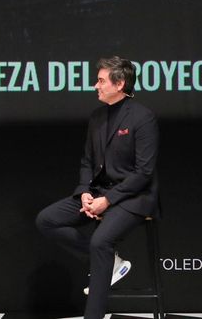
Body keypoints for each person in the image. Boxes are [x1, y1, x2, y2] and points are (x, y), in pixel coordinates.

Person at [35, 56, 159, 319]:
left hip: (133, 196)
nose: (96, 86)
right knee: (46, 220)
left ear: (120, 83)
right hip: (99, 192)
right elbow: (87, 162)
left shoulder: (143, 117)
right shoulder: (97, 117)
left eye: (101, 80)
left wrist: (108, 200)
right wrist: (85, 193)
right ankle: (111, 261)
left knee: (101, 242)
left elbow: (143, 173)